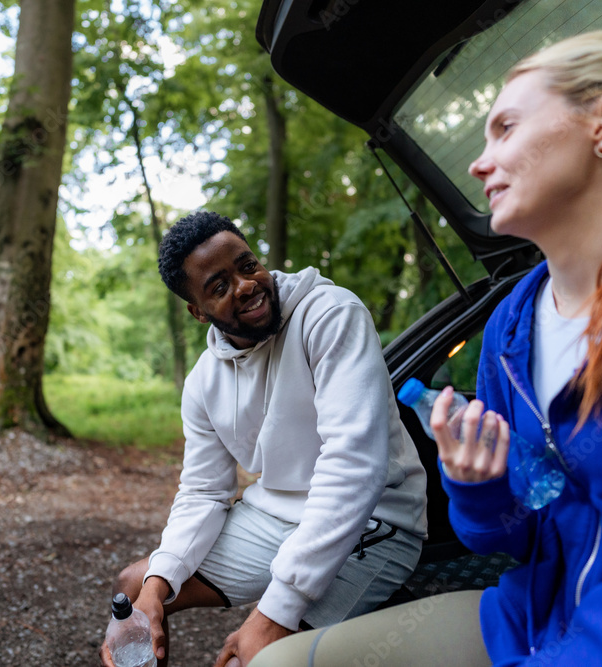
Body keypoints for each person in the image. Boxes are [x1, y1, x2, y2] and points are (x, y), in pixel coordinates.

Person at [250, 29, 602, 666]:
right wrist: (478, 484)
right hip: (534, 615)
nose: (477, 162)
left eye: (505, 128)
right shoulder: (511, 327)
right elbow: (517, 537)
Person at [99, 211, 428, 667]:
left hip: (375, 519)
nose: (246, 285)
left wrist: (274, 612)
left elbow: (354, 465)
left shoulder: (331, 315)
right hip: (274, 515)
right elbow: (202, 492)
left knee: (251, 661)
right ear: (198, 312)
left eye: (247, 265)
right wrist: (157, 586)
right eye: (219, 286)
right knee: (135, 588)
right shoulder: (202, 383)